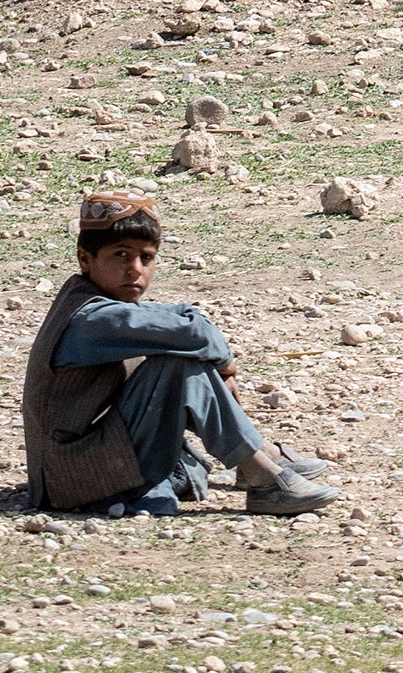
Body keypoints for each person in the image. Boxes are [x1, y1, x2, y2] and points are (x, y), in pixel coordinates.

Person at [18, 193, 339, 520]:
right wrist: (226, 364)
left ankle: (259, 459)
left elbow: (180, 319)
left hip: (89, 459)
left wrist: (205, 348)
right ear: (85, 260)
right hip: (74, 477)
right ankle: (262, 472)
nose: (135, 269)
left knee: (180, 358)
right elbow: (194, 334)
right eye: (121, 255)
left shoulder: (104, 304)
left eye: (146, 257)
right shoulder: (92, 320)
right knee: (176, 364)